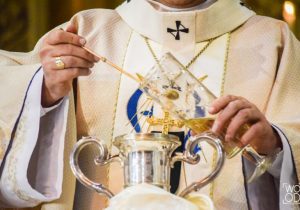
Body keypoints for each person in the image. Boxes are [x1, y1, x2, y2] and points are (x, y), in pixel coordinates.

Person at [0, 0, 299, 209]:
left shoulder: (273, 40)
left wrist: (273, 145)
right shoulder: (87, 33)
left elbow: (292, 147)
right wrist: (45, 93)